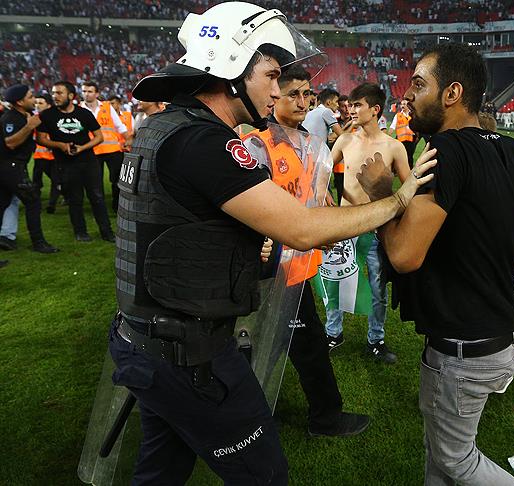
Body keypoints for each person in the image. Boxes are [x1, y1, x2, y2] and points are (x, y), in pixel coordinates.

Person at [104, 3, 435, 483]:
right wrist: (397, 200)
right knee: (265, 474)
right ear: (231, 67)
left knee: (161, 471)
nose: (278, 91)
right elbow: (301, 228)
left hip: (148, 338)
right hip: (188, 353)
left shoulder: (163, 128)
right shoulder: (203, 142)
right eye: (272, 76)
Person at [359, 43, 514, 485]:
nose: (407, 94)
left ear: (452, 93)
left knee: (457, 460)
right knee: (440, 455)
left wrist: (382, 192)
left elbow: (404, 256)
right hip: (501, 333)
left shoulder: (445, 151)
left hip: (463, 346)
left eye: (418, 84)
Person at [240, 65, 370, 436]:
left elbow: (315, 196)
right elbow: (254, 213)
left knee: (292, 343)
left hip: (299, 264)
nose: (303, 101)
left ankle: (257, 414)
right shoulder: (257, 145)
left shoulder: (313, 145)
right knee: (276, 343)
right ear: (274, 96)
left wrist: (322, 217)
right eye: (293, 93)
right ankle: (306, 417)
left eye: (306, 94)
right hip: (270, 267)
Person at [325, 83, 410, 363]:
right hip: (344, 224)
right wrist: (324, 194)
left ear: (374, 110)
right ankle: (333, 333)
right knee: (336, 282)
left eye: (357, 104)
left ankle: (376, 339)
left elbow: (409, 189)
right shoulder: (344, 141)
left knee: (377, 288)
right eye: (350, 104)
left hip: (375, 228)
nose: (351, 109)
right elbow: (321, 173)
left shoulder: (394, 147)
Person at [36, 81, 114, 242]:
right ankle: (80, 232)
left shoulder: (84, 114)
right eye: (53, 93)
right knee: (75, 199)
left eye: (59, 93)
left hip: (88, 162)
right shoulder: (47, 115)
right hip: (65, 164)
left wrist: (82, 148)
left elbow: (99, 137)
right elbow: (41, 139)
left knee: (97, 197)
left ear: (71, 96)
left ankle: (107, 232)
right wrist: (60, 145)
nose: (55, 96)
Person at [0, 84, 59, 253]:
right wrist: (29, 126)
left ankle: (7, 238)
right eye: (30, 97)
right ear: (19, 102)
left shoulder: (25, 115)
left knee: (3, 204)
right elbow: (10, 143)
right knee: (33, 201)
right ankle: (38, 243)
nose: (34, 100)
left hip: (13, 166)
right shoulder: (11, 118)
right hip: (10, 166)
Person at [80, 81, 129, 212]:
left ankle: (117, 205)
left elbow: (119, 126)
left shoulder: (107, 106)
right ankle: (100, 207)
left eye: (90, 91)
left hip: (112, 150)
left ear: (97, 94)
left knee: (118, 180)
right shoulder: (79, 109)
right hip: (92, 150)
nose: (86, 94)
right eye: (84, 91)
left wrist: (129, 139)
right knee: (95, 181)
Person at [304, 88, 346, 202]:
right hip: (318, 158)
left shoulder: (311, 113)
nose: (338, 105)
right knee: (325, 192)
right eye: (336, 102)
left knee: (313, 191)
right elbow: (342, 135)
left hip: (307, 157)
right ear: (328, 102)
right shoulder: (326, 112)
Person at [31, 92, 60, 213]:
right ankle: (35, 204)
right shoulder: (34, 118)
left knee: (56, 180)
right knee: (36, 182)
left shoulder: (56, 117)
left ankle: (51, 205)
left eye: (41, 103)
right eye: (36, 103)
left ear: (49, 105)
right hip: (39, 156)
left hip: (54, 157)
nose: (37, 105)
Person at [389, 99, 418, 165]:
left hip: (411, 139)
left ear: (408, 106)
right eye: (401, 104)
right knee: (399, 156)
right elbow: (392, 126)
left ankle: (410, 169)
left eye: (404, 104)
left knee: (409, 156)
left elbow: (417, 126)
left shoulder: (413, 115)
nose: (402, 106)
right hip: (400, 139)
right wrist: (388, 137)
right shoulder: (398, 115)